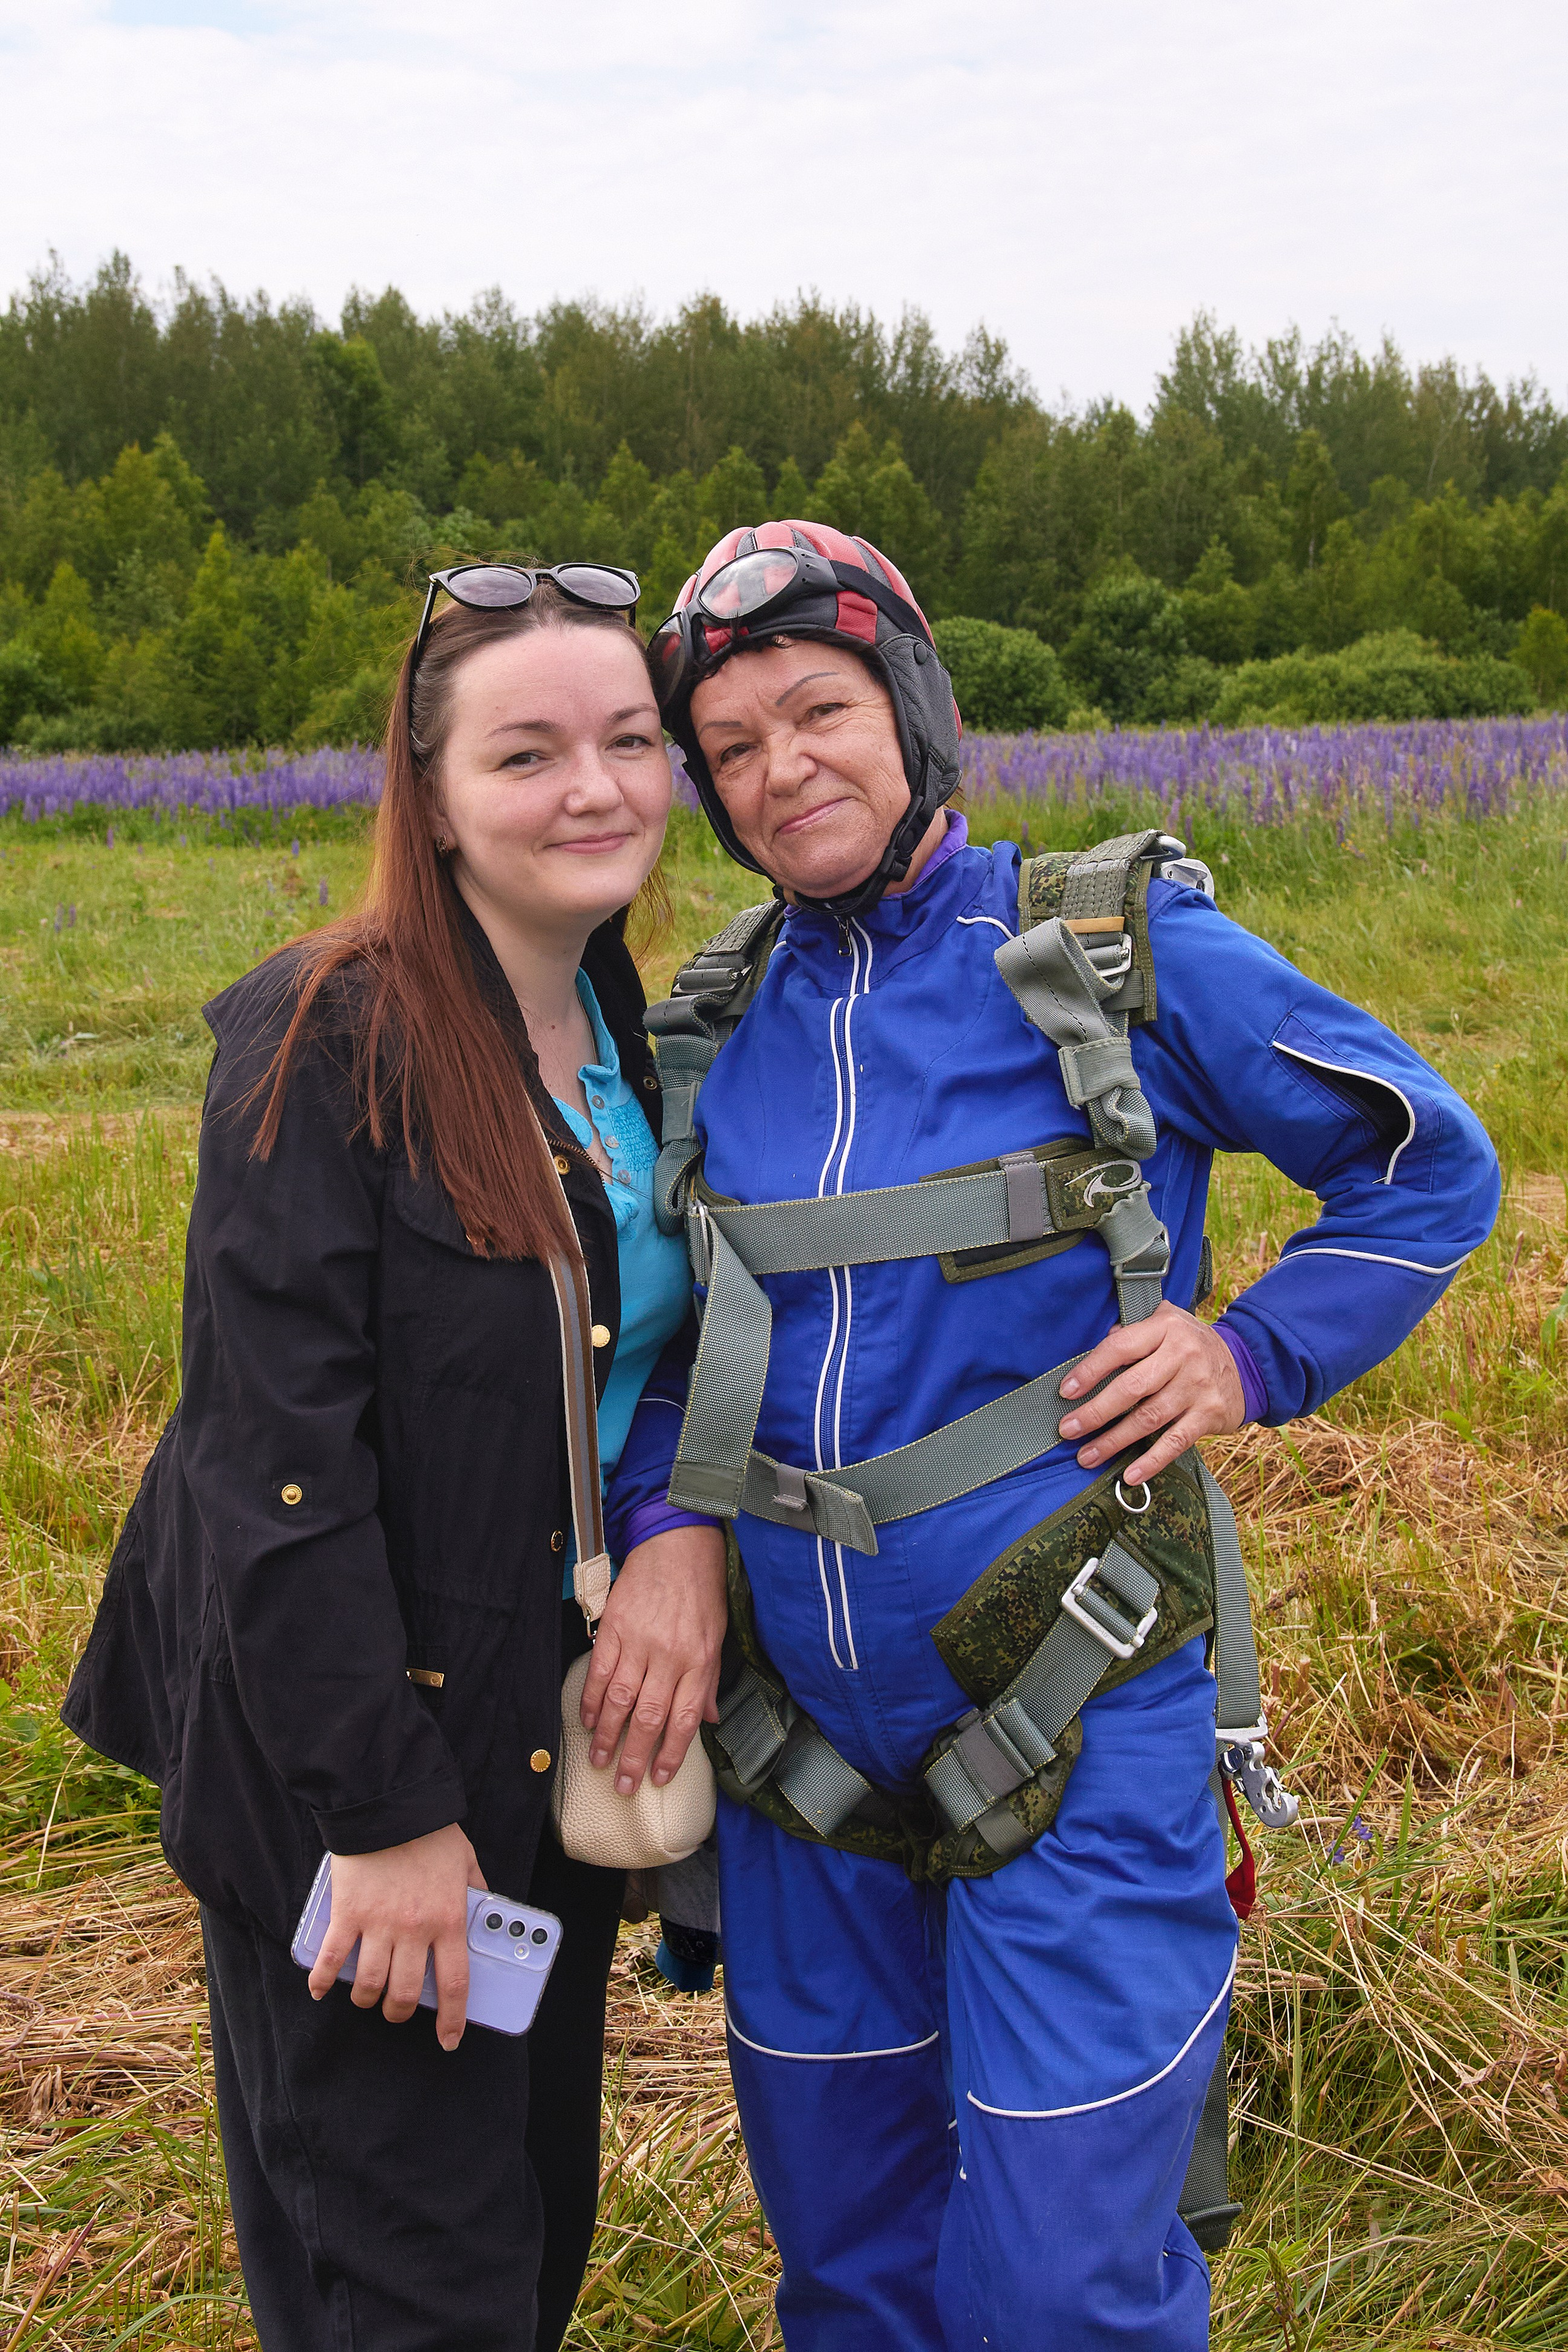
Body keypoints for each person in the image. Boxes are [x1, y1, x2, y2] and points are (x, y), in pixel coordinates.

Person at [607, 520, 1501, 2350]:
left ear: (914, 708)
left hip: (1070, 1713)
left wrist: (1249, 1355)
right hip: (800, 1773)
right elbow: (666, 1341)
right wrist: (671, 1527)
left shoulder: (1110, 953)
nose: (787, 770)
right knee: (851, 2276)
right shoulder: (708, 1028)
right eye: (737, 749)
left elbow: (1429, 1162)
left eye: (822, 711)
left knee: (1054, 2294)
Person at [62, 563, 728, 2352]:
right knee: (408, 2285)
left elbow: (622, 1369)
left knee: (522, 2235)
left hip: (538, 1730)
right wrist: (388, 1820)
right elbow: (269, 1465)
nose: (594, 789)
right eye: (527, 754)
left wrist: (680, 1535)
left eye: (629, 741)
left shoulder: (612, 1025)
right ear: (428, 796)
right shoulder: (326, 1030)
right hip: (358, 1766)